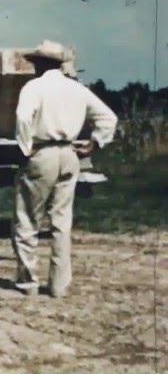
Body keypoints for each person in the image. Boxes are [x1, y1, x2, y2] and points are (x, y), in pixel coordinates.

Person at [13, 40, 117, 297]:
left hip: (43, 152)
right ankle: (59, 285)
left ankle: (28, 282)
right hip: (69, 153)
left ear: (42, 63)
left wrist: (26, 149)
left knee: (28, 217)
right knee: (61, 221)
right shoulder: (76, 89)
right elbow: (108, 117)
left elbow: (23, 117)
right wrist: (95, 144)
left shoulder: (34, 87)